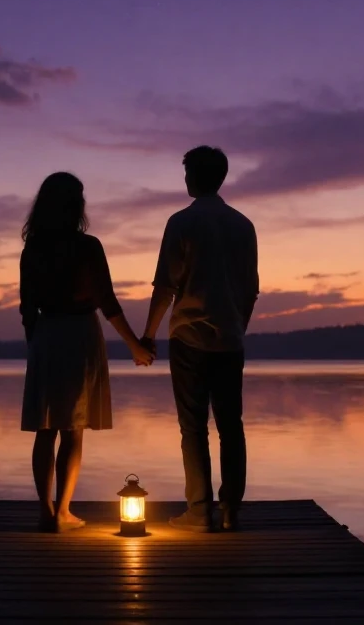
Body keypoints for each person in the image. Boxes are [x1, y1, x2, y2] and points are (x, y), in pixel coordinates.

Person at [19, 171, 155, 532]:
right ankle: (62, 511)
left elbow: (27, 308)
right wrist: (135, 345)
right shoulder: (87, 246)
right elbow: (106, 301)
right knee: (72, 428)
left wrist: (36, 343)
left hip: (46, 334)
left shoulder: (33, 248)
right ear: (75, 204)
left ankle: (46, 511)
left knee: (45, 428)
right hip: (79, 334)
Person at [141, 146, 258, 532]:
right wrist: (238, 326)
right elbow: (249, 290)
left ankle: (198, 511)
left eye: (187, 171)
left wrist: (148, 333)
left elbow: (165, 287)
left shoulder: (181, 223)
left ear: (196, 177)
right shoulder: (243, 226)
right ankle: (231, 511)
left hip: (189, 338)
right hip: (230, 339)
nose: (185, 178)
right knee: (231, 425)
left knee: (193, 428)